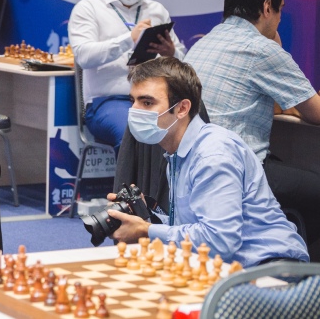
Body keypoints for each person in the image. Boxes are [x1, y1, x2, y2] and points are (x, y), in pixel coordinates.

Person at [106, 57, 308, 267]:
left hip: (272, 269)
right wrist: (146, 217)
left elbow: (219, 241)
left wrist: (145, 231)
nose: (135, 111)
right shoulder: (177, 153)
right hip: (230, 268)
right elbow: (196, 229)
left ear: (182, 108)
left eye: (147, 102)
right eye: (133, 101)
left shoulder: (212, 155)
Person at [184, 0, 320, 259]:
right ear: (267, 7)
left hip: (195, 166)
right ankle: (308, 284)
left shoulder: (205, 41)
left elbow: (246, 100)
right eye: (281, 10)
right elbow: (315, 113)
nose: (281, 18)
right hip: (240, 168)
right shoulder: (262, 49)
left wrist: (292, 105)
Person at [68, 0, 186, 149]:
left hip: (155, 98)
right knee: (131, 131)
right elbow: (83, 56)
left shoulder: (156, 10)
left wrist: (171, 53)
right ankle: (130, 182)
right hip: (107, 102)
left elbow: (182, 58)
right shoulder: (88, 9)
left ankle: (167, 182)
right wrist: (129, 39)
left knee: (184, 125)